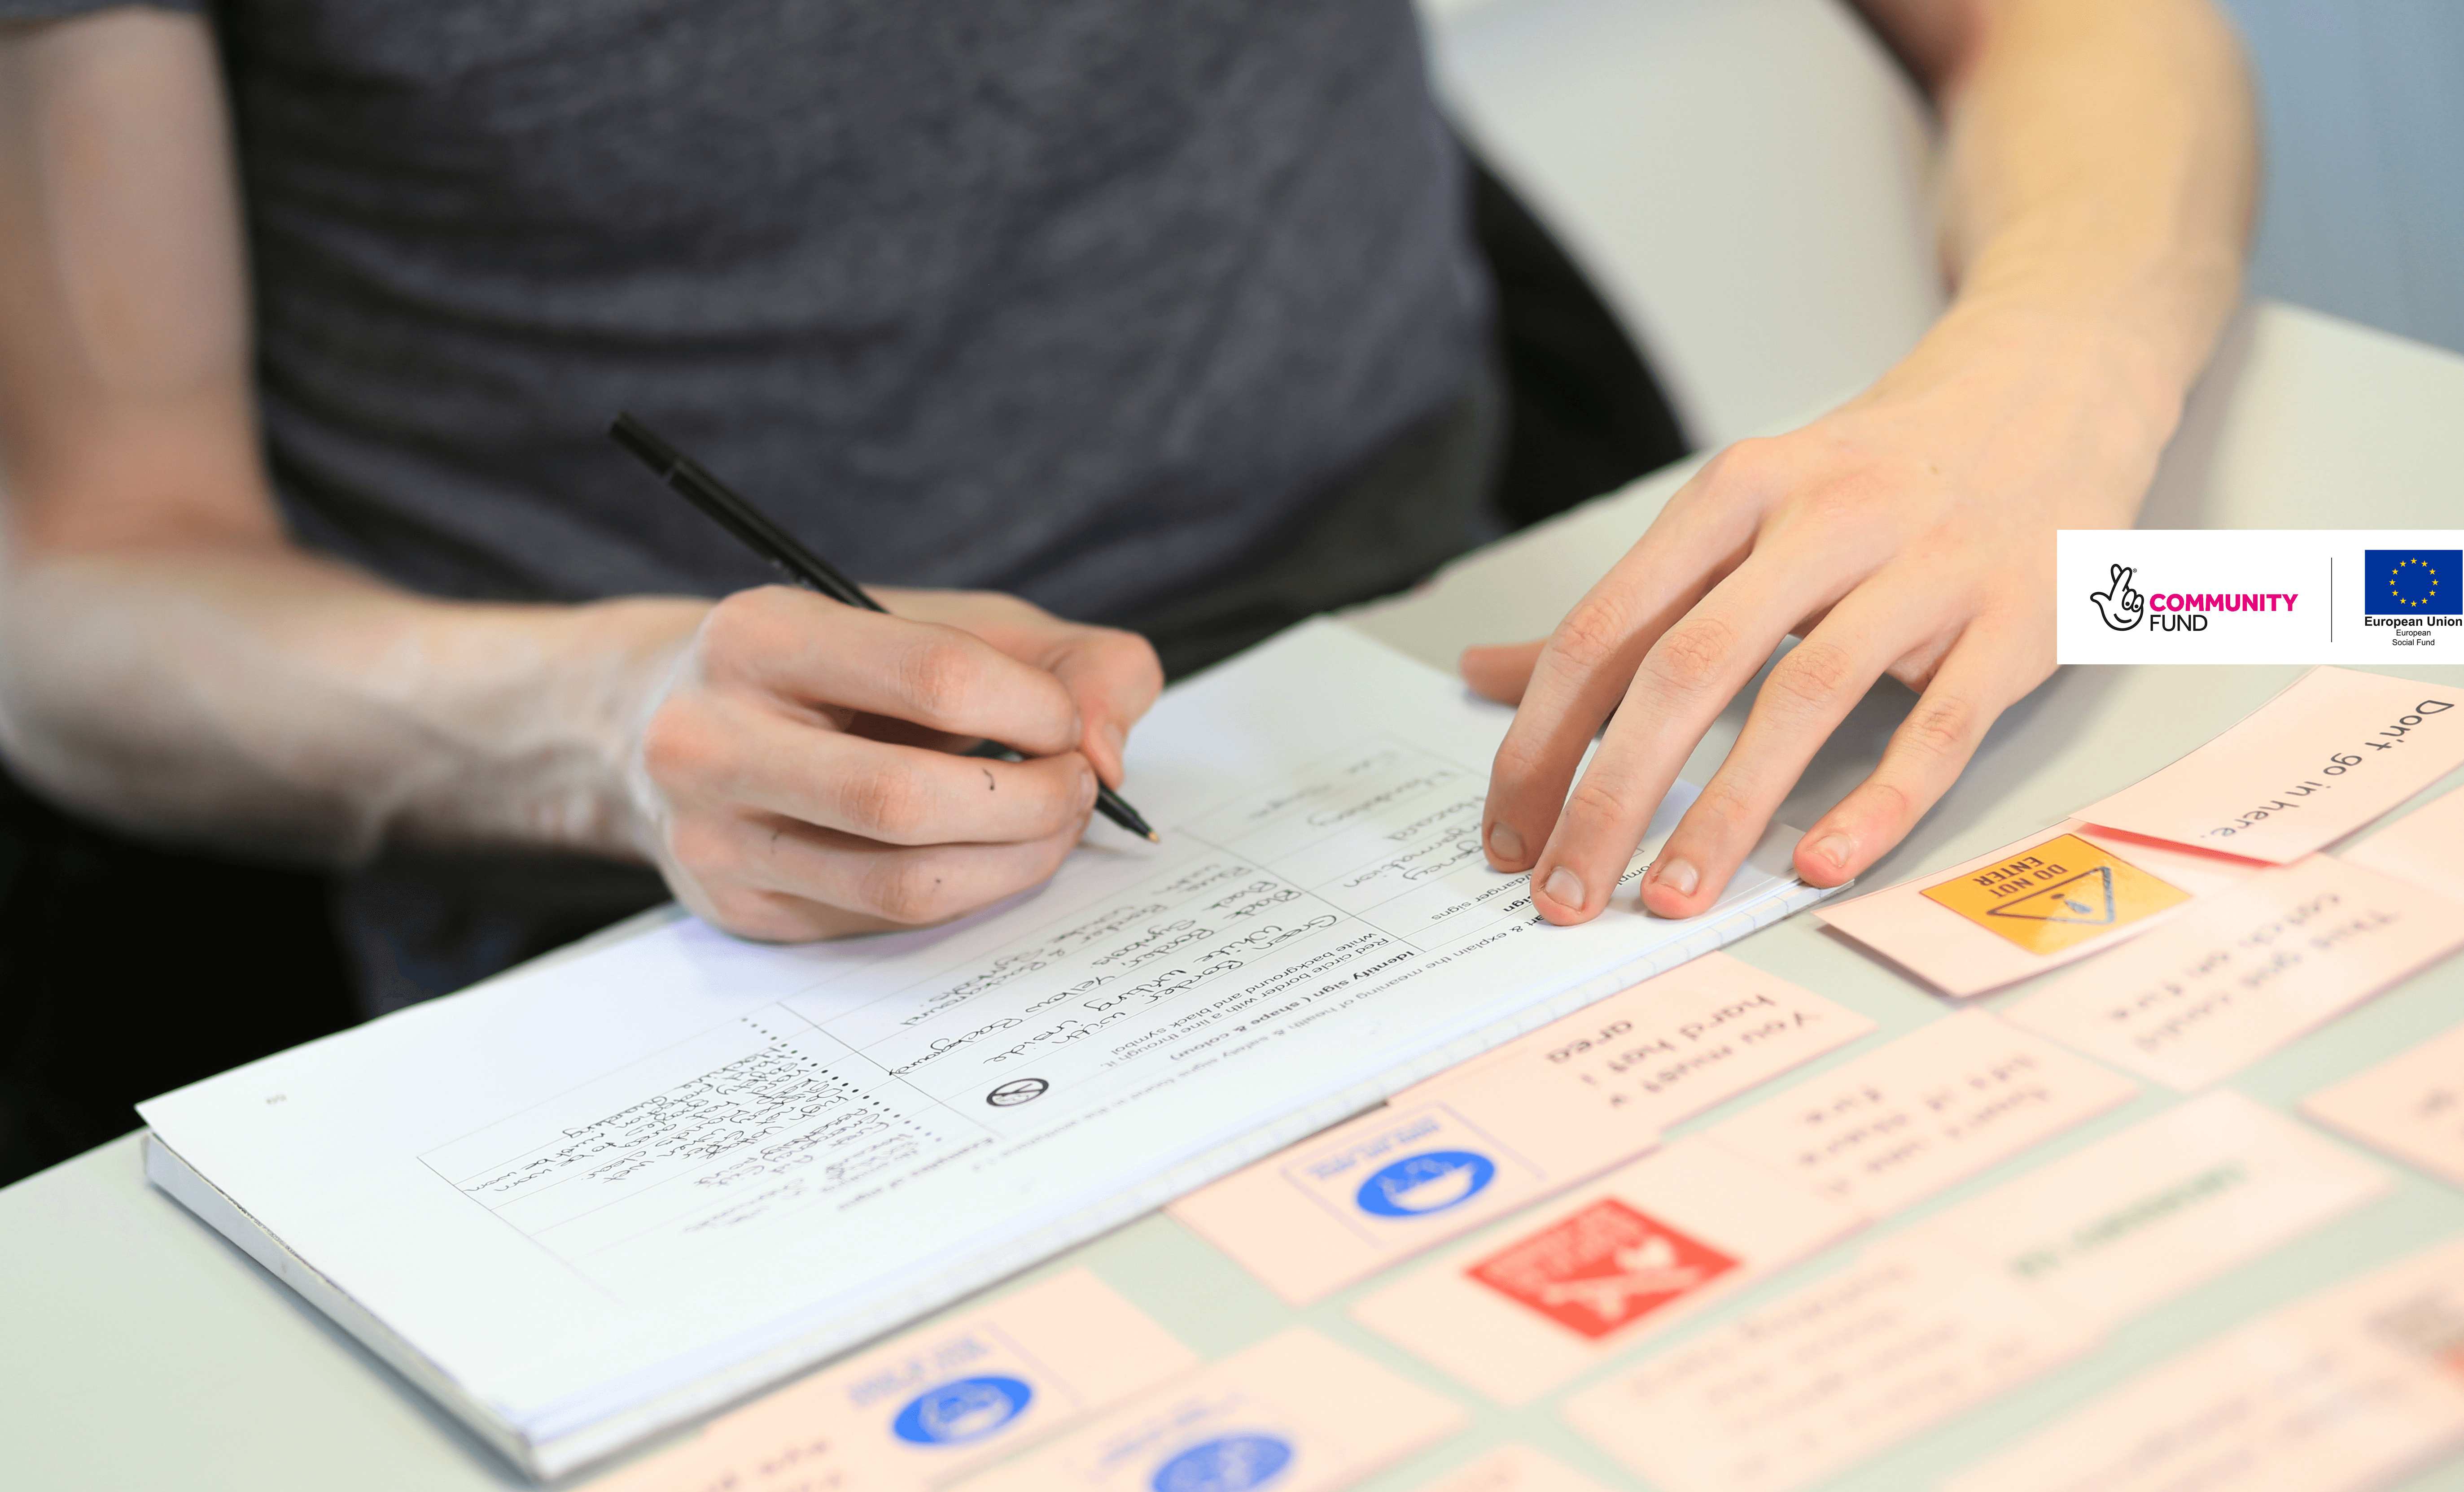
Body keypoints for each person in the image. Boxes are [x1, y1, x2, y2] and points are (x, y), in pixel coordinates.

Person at [0, 4, 2253, 987]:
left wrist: (2045, 375)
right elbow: (81, 575)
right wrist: (596, 729)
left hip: (1460, 664)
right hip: (663, 886)